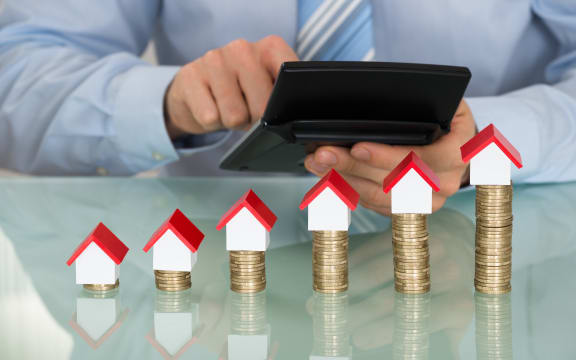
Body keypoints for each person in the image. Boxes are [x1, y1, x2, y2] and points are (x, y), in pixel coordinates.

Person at [0, 0, 574, 215]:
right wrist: (169, 102)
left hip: (502, 247)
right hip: (215, 266)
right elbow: (20, 74)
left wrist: (487, 149)